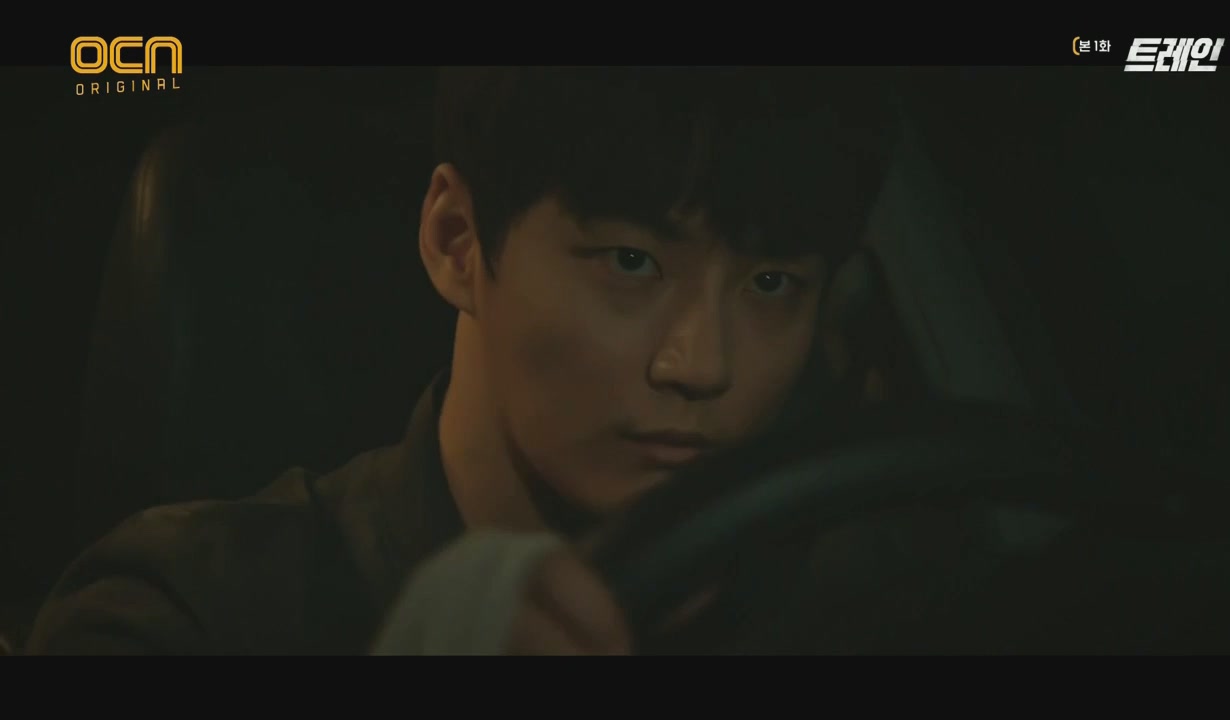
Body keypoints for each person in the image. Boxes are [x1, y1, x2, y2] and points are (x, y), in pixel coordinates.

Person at [25, 67, 895, 655]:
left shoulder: (870, 604)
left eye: (772, 283)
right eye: (632, 263)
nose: (703, 364)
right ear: (456, 241)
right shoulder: (188, 618)